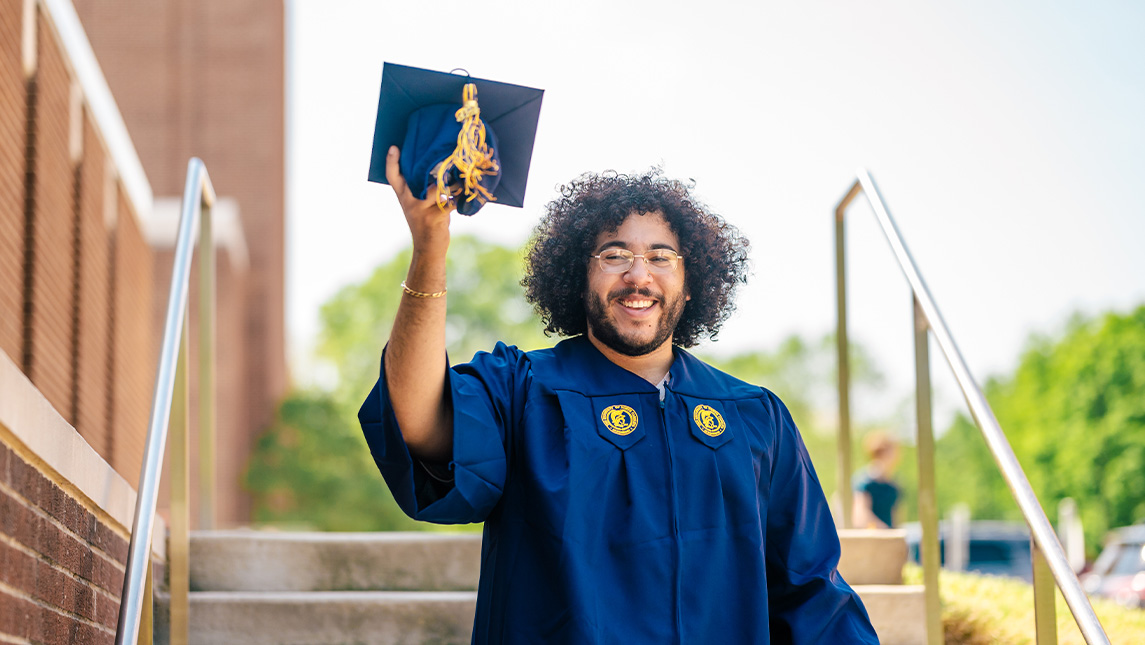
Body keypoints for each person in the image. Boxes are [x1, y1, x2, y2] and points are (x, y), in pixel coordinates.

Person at [358, 146, 879, 643]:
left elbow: (810, 590)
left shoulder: (753, 416)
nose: (638, 275)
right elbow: (419, 421)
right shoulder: (523, 390)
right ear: (577, 274)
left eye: (661, 256)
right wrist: (430, 249)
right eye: (614, 255)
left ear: (690, 281)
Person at [852, 431, 902, 529]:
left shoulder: (893, 485)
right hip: (871, 539)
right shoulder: (865, 482)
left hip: (889, 539)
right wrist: (883, 530)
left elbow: (895, 517)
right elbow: (859, 517)